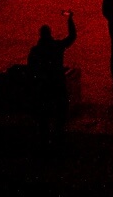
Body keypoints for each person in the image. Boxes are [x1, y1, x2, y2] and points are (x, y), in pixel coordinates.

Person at [28, 11, 78, 141]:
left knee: (43, 114)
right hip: (57, 82)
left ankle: (43, 138)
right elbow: (72, 36)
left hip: (43, 84)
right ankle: (59, 135)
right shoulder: (57, 46)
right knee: (61, 110)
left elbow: (31, 68)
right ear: (50, 33)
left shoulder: (36, 51)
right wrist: (70, 20)